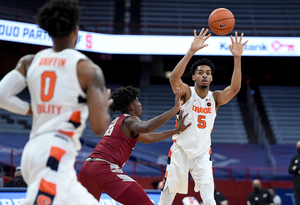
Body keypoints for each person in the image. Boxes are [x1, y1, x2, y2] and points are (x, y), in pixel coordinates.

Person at [0, 0, 112, 204]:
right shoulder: (87, 70)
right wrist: (103, 106)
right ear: (75, 31)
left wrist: (31, 110)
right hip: (55, 152)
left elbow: (1, 95)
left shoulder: (29, 61)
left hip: (35, 149)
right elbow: (99, 127)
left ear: (49, 32)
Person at [158, 28, 248, 205]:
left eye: (208, 73)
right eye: (200, 72)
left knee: (209, 200)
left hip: (202, 155)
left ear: (211, 78)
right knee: (165, 201)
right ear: (194, 77)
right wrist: (192, 50)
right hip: (180, 152)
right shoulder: (186, 93)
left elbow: (235, 89)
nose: (204, 75)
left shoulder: (214, 98)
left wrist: (237, 57)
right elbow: (174, 79)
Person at [79, 86, 191, 205]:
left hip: (86, 169)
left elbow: (148, 138)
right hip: (104, 168)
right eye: (138, 102)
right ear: (131, 106)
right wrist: (175, 109)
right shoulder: (130, 120)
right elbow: (147, 126)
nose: (140, 104)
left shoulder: (119, 121)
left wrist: (176, 130)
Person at [288, 140, 300, 205]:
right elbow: (290, 170)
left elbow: (294, 169)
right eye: (298, 147)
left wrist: (296, 168)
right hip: (297, 186)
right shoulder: (294, 158)